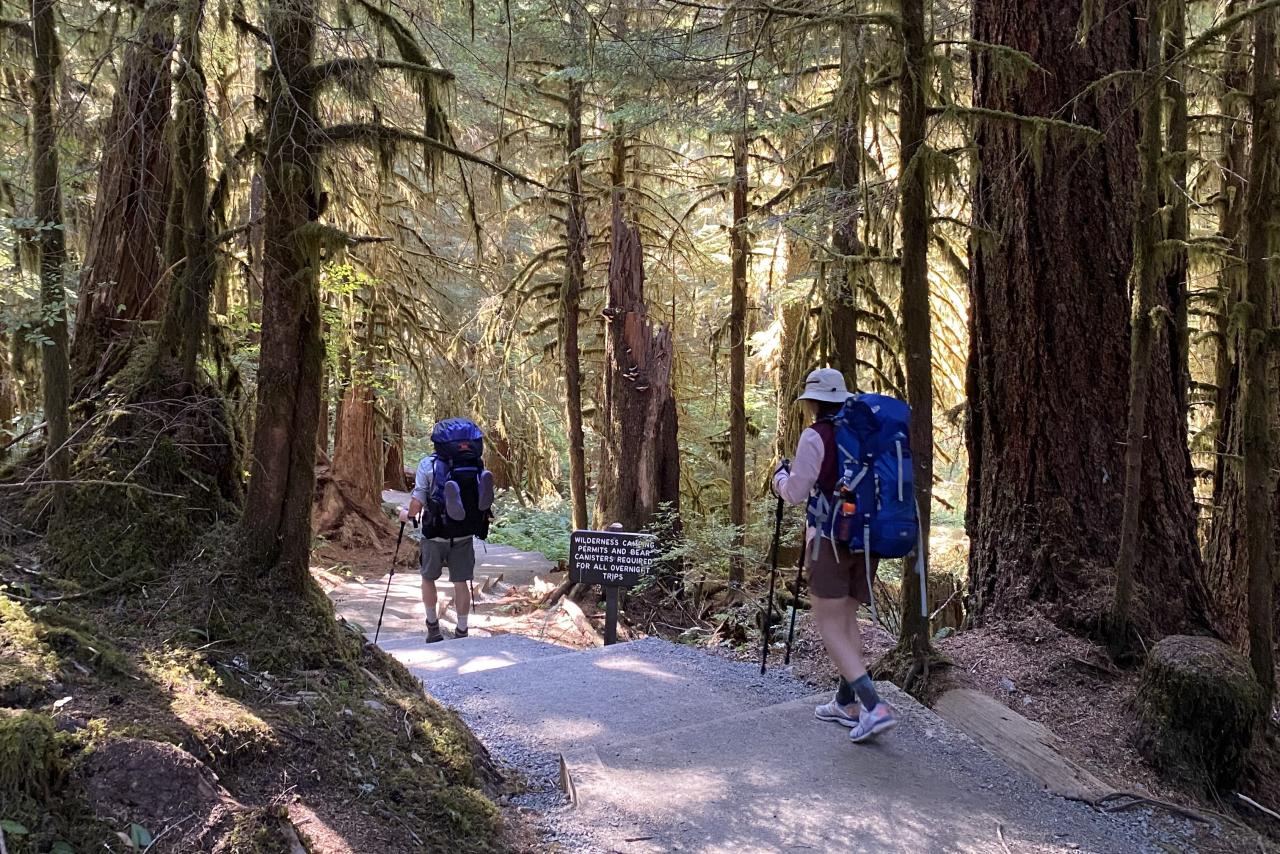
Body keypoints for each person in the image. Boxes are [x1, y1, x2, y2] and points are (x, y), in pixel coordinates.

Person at [773, 367, 899, 743]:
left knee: (829, 624)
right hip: (868, 539)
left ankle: (874, 706)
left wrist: (780, 477)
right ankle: (846, 704)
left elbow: (796, 492)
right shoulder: (867, 432)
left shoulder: (816, 436)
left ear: (813, 403)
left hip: (830, 539)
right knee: (846, 621)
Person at [400, 450, 475, 644]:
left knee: (428, 578)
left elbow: (417, 502)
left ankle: (433, 628)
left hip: (434, 534)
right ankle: (462, 629)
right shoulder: (472, 462)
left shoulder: (427, 464)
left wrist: (407, 515)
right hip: (463, 532)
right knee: (461, 582)